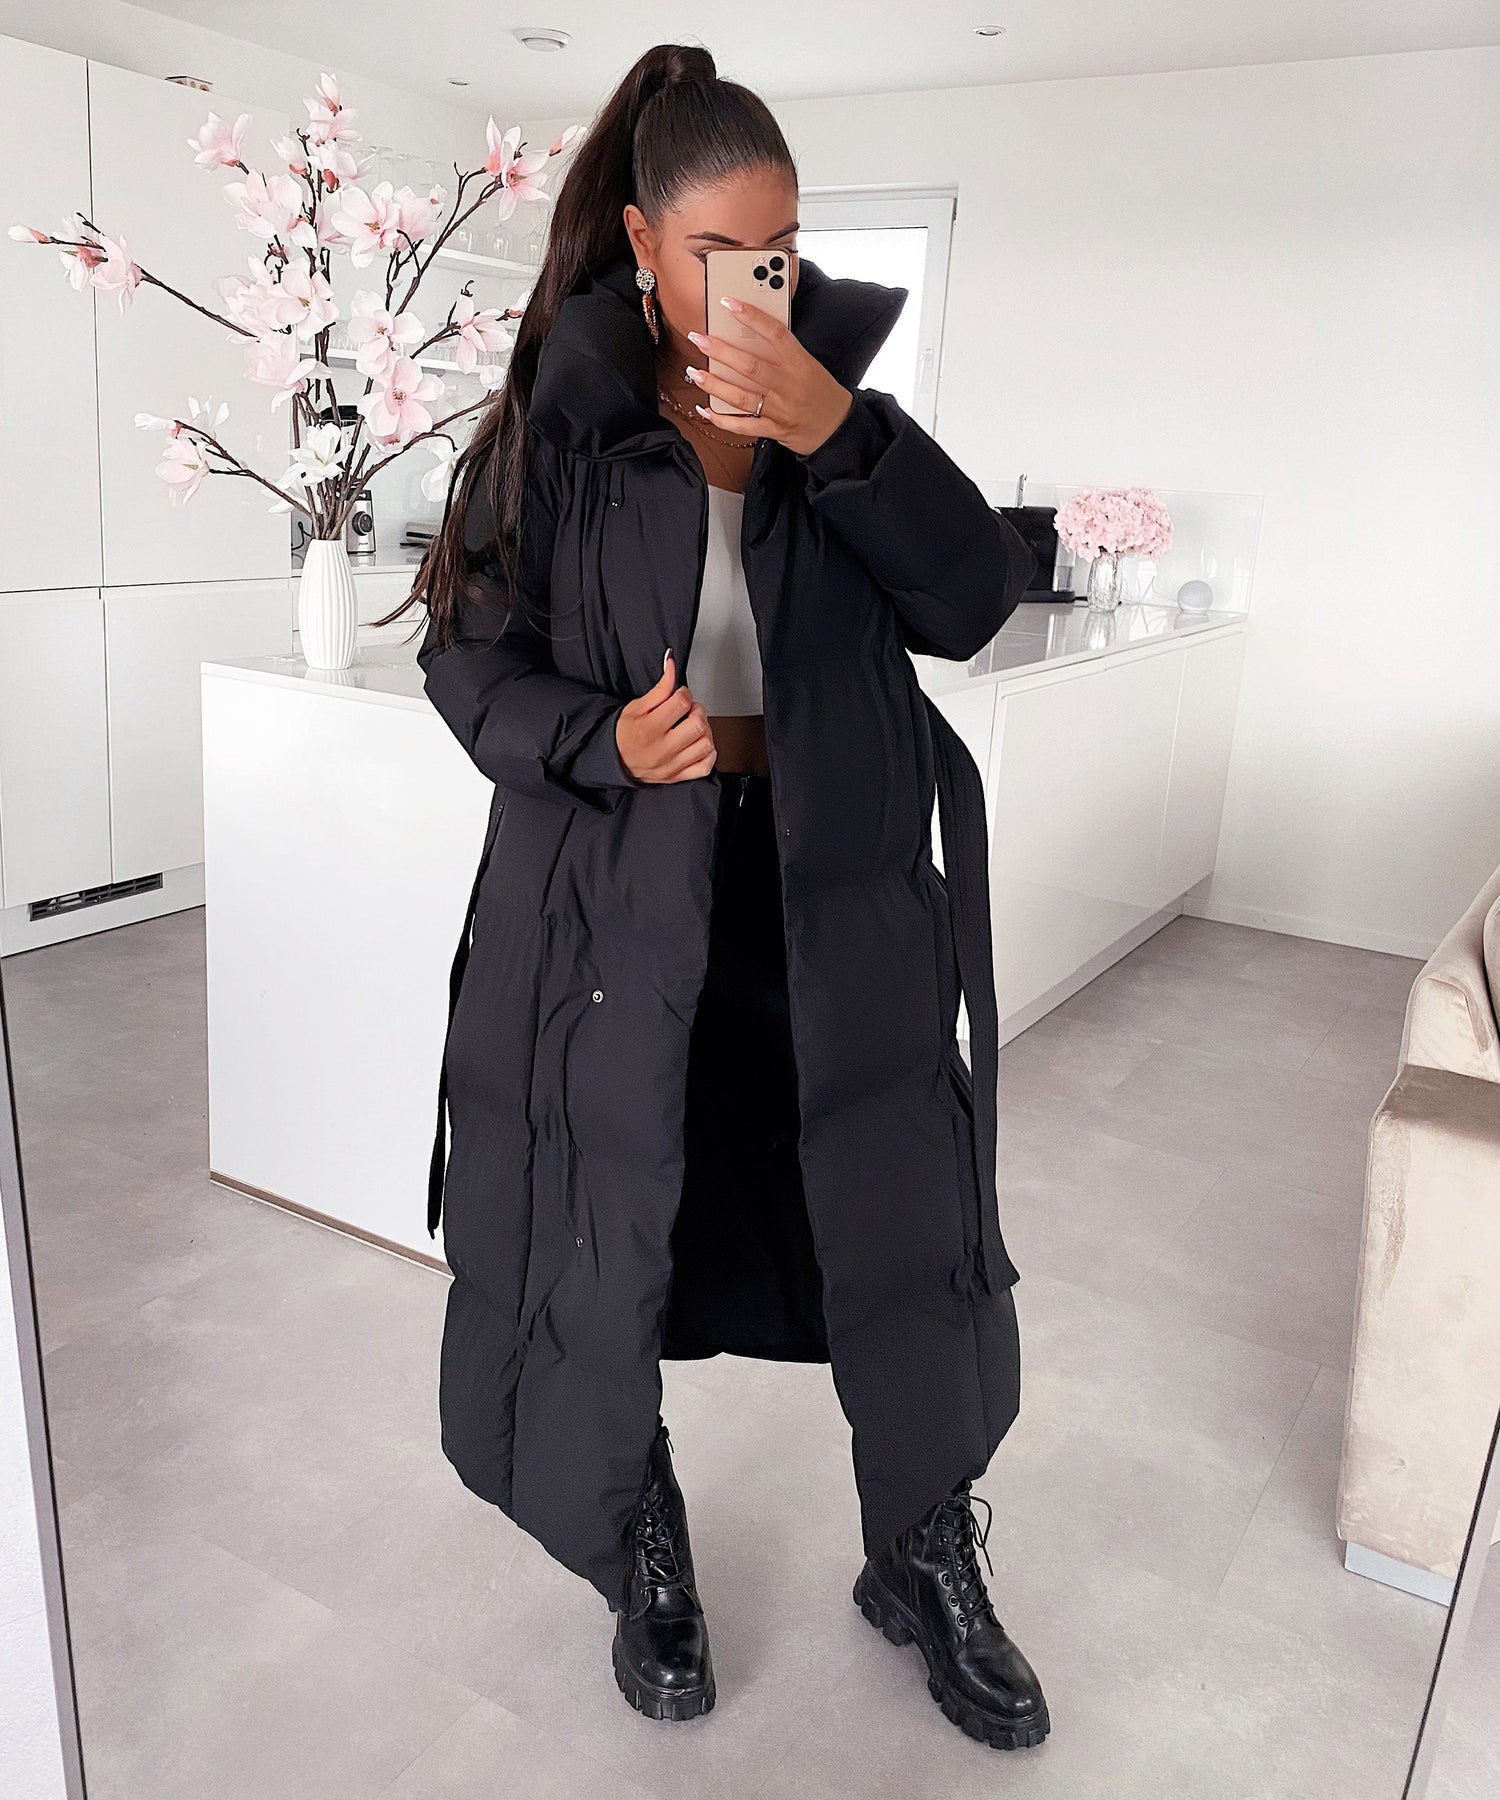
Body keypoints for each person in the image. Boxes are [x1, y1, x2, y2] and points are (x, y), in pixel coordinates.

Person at [405, 41, 1048, 1751]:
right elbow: (467, 663)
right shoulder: (556, 429)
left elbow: (972, 598)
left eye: (781, 249)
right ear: (640, 241)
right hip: (619, 902)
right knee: (620, 1225)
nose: (755, 284)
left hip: (829, 890)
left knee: (891, 1223)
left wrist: (836, 429)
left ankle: (924, 1549)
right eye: (716, 253)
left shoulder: (835, 417)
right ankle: (640, 1534)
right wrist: (603, 740)